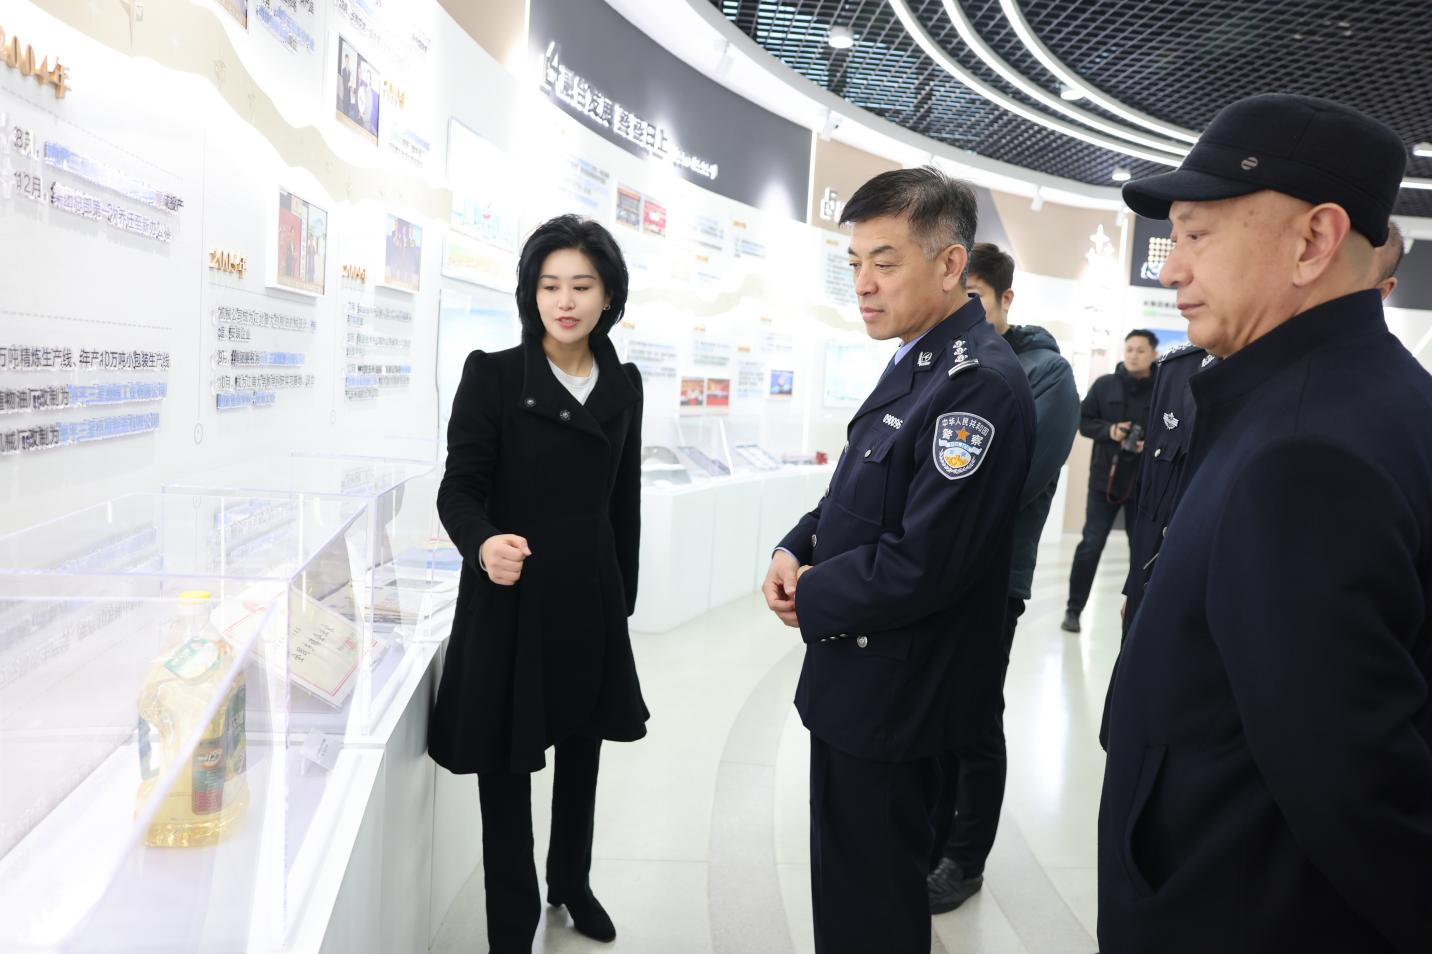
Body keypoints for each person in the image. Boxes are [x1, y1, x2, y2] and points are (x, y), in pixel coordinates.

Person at [1100, 93, 1432, 953]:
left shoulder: (1303, 450)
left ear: (1313, 242)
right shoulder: (1342, 398)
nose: (1170, 270)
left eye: (1196, 235)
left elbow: (1357, 786)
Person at [761, 167, 1035, 954]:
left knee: (873, 913)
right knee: (848, 898)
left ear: (950, 265)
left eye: (884, 262)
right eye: (854, 263)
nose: (863, 283)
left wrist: (812, 593)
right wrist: (795, 544)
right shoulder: (920, 360)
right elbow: (859, 488)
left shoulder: (978, 386)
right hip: (858, 687)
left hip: (899, 701)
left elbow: (923, 563)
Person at [1099, 217, 1407, 750]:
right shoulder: (1179, 372)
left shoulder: (1354, 411)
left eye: (1197, 236)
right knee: (1127, 740)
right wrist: (1137, 589)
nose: (1174, 272)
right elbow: (1156, 498)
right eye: (1181, 239)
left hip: (1231, 668)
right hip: (1154, 611)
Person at [428, 215, 647, 953]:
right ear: (530, 294)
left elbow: (624, 502)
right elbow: (459, 488)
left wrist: (623, 598)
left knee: (584, 746)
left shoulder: (623, 385)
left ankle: (572, 882)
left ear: (608, 295)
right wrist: (483, 542)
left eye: (582, 285)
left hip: (590, 595)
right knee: (505, 766)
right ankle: (512, 923)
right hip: (511, 595)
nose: (565, 301)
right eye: (550, 286)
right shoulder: (493, 376)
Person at [927, 242, 1079, 912]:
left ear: (1005, 299)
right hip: (931, 571)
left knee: (974, 719)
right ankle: (932, 840)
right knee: (932, 712)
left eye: (976, 300)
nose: (963, 311)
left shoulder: (1046, 373)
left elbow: (1016, 477)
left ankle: (964, 860)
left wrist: (929, 509)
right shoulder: (946, 358)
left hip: (993, 576)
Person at [1060, 330, 1157, 633]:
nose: (1133, 355)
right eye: (1129, 349)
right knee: (1090, 545)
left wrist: (1149, 444)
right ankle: (1073, 610)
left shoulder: (1163, 388)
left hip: (1144, 485)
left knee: (1142, 550)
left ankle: (1139, 615)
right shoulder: (1105, 385)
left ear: (1153, 354)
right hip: (1104, 481)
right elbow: (1084, 422)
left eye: (1140, 350)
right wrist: (1111, 431)